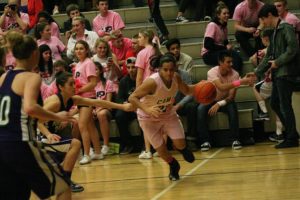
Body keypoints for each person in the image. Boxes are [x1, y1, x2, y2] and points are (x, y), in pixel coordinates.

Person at [0, 33, 74, 199]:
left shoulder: (4, 77)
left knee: (17, 193)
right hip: (20, 143)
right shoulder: (31, 77)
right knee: (63, 186)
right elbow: (30, 107)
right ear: (35, 54)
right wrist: (58, 116)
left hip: (1, 145)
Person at [129, 54, 195, 181]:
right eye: (165, 70)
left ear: (175, 68)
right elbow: (132, 97)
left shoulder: (176, 77)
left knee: (180, 143)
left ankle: (183, 149)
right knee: (161, 151)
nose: (169, 73)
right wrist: (147, 109)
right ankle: (173, 165)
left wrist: (205, 85)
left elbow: (187, 90)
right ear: (159, 69)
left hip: (167, 114)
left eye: (171, 69)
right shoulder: (152, 82)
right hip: (147, 118)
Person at [256, 4, 300, 148]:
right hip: (279, 74)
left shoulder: (286, 27)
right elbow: (269, 54)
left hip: (286, 73)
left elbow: (293, 49)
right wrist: (256, 72)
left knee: (284, 105)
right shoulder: (275, 31)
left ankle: (292, 137)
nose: (263, 23)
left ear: (269, 15)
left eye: (263, 19)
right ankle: (292, 133)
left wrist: (278, 62)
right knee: (275, 103)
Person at [197, 50, 256, 151]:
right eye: (228, 62)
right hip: (211, 99)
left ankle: (235, 140)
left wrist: (219, 104)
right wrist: (241, 82)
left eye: (231, 62)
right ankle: (205, 141)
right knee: (200, 109)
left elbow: (231, 97)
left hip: (225, 101)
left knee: (233, 108)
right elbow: (221, 87)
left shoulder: (235, 74)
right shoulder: (212, 72)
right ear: (220, 62)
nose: (231, 64)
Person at [135, 29, 161, 159]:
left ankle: (147, 150)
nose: (138, 39)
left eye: (139, 37)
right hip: (158, 88)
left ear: (146, 38)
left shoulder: (142, 53)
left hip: (146, 89)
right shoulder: (157, 51)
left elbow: (139, 77)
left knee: (145, 120)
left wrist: (136, 94)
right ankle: (160, 149)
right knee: (159, 117)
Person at [202, 2, 243, 73]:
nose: (227, 15)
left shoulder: (224, 27)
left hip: (218, 51)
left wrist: (227, 46)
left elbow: (225, 42)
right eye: (224, 13)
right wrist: (224, 48)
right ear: (218, 15)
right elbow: (208, 45)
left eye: (228, 13)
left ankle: (236, 76)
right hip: (208, 54)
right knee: (233, 56)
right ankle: (235, 77)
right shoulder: (212, 25)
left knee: (236, 56)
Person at [115, 57, 138, 154]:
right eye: (128, 67)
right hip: (130, 108)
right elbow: (119, 98)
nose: (131, 70)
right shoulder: (124, 81)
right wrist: (125, 104)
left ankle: (147, 145)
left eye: (133, 67)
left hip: (142, 107)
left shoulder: (143, 78)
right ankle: (128, 144)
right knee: (119, 115)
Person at [94, 62, 117, 156]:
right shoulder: (88, 85)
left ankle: (106, 145)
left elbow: (108, 103)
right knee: (85, 116)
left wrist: (99, 109)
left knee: (101, 114)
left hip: (105, 109)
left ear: (100, 71)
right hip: (93, 110)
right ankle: (91, 148)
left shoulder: (108, 82)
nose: (93, 71)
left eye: (96, 69)